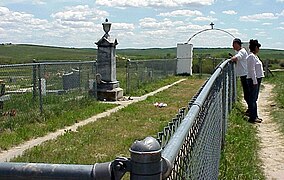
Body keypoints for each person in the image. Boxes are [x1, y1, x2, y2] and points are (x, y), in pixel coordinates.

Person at [246, 39, 264, 123]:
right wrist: (254, 81)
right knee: (253, 98)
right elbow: (251, 70)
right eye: (258, 47)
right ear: (255, 47)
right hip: (254, 79)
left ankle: (254, 115)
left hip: (256, 79)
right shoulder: (251, 57)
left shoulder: (254, 56)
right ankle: (253, 117)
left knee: (254, 98)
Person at [230, 38, 249, 113]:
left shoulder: (242, 51)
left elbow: (236, 58)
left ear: (237, 44)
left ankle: (251, 110)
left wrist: (232, 58)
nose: (233, 46)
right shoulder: (242, 51)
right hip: (244, 74)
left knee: (247, 94)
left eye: (234, 45)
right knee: (246, 93)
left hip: (245, 75)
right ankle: (250, 109)